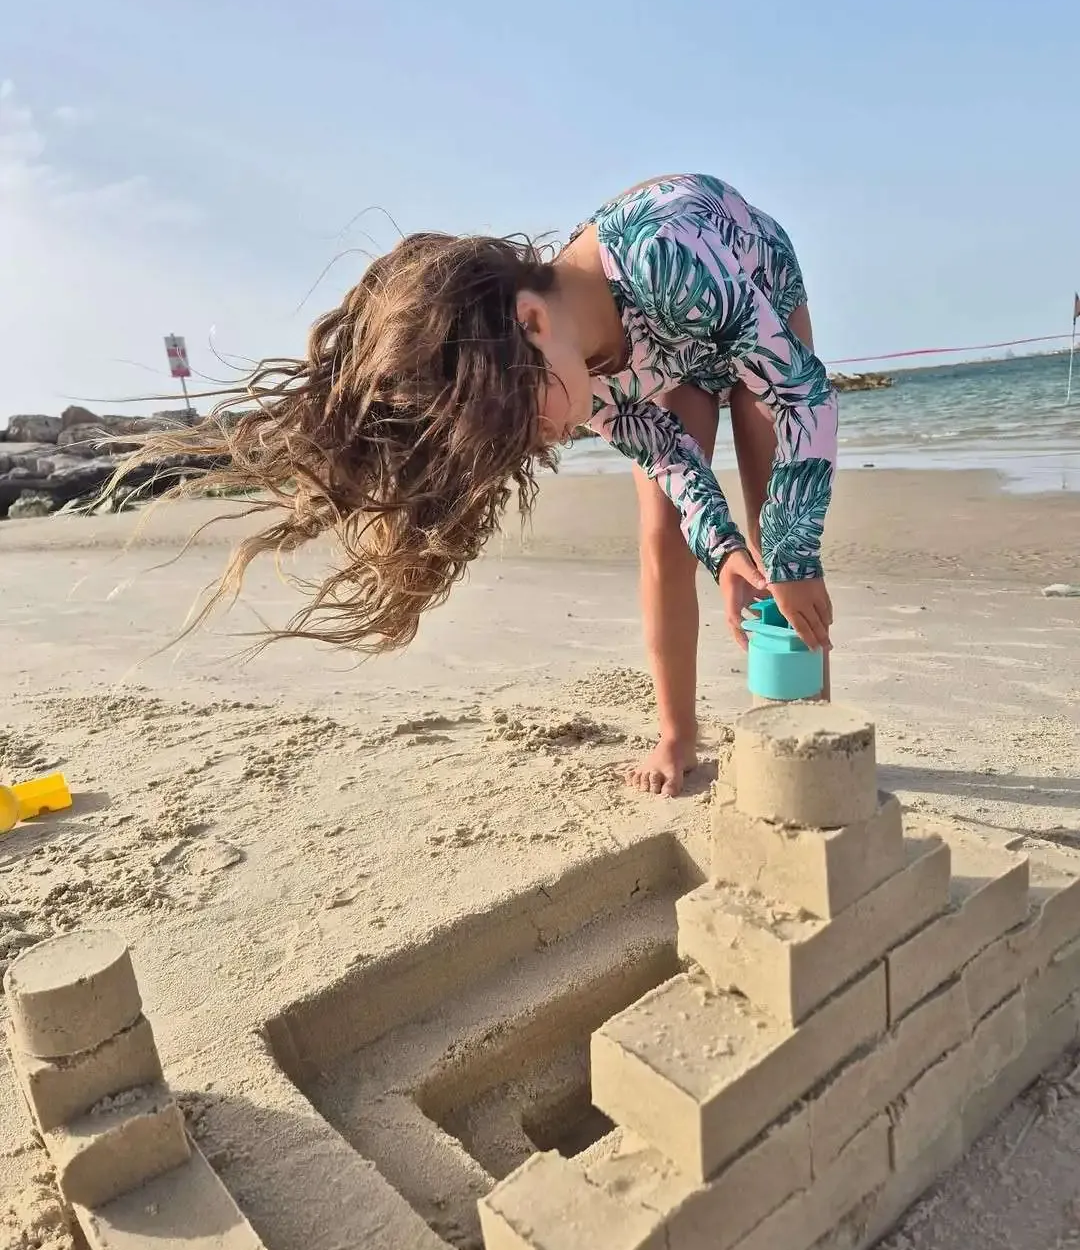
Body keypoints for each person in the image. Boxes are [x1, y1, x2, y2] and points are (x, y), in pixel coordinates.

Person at [129, 173, 837, 797]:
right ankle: (678, 735)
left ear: (531, 322)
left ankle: (815, 725)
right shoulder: (569, 363)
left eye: (524, 429)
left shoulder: (662, 259)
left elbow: (803, 397)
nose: (541, 445)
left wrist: (789, 556)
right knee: (665, 539)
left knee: (779, 508)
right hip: (654, 356)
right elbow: (669, 454)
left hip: (750, 287)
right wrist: (723, 555)